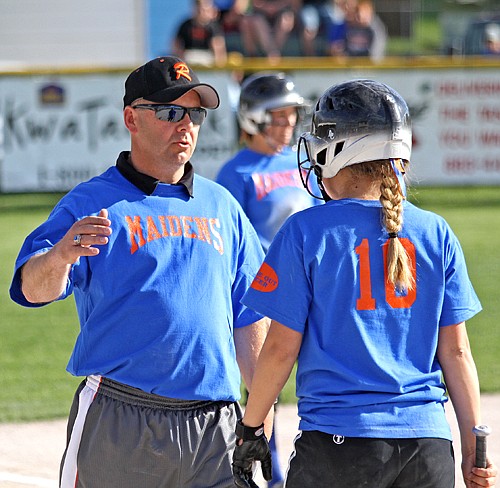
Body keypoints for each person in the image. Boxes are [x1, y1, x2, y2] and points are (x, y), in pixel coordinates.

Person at [10, 55, 273, 488]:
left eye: (195, 114)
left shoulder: (223, 206)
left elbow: (249, 317)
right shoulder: (91, 201)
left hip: (215, 425)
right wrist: (59, 257)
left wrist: (258, 419)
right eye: (170, 112)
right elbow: (30, 289)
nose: (185, 125)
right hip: (121, 416)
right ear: (132, 117)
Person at [231, 79, 498, 487]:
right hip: (428, 446)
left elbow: (281, 349)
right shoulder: (436, 231)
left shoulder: (307, 231)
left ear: (340, 148)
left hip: (340, 444)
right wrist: (470, 449)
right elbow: (457, 352)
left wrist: (252, 429)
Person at [217, 72, 319, 488]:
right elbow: (230, 242)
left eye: (291, 116)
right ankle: (266, 470)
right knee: (264, 384)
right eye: (277, 117)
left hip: (308, 287)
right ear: (252, 119)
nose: (288, 125)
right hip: (260, 296)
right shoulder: (236, 173)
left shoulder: (299, 164)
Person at [173, 0, 228, 66]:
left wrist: (219, 67)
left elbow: (218, 48)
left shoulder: (213, 27)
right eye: (199, 9)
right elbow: (177, 44)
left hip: (208, 60)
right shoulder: (186, 25)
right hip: (189, 58)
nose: (201, 12)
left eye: (204, 9)